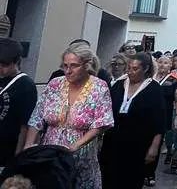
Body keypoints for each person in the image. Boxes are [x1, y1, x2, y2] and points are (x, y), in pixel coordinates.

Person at [25, 44, 114, 188]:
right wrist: (28, 145)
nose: (68, 71)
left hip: (81, 155)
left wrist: (74, 146)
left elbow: (102, 123)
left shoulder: (99, 87)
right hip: (50, 155)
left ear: (86, 65)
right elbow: (37, 117)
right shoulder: (55, 84)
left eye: (74, 66)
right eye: (65, 66)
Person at [99, 53, 165, 189]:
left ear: (145, 69)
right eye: (128, 68)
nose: (130, 72)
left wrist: (154, 147)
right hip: (113, 142)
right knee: (108, 179)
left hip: (138, 145)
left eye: (134, 69)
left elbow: (159, 121)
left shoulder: (154, 89)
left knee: (131, 181)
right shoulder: (119, 85)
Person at [0, 40, 37, 170]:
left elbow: (25, 125)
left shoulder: (25, 85)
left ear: (17, 61)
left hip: (6, 152)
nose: (0, 68)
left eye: (4, 65)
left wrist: (18, 156)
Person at [149, 55, 177, 184]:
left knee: (157, 143)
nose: (163, 65)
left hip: (164, 115)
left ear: (170, 66)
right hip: (147, 115)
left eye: (166, 63)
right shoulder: (150, 79)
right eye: (160, 62)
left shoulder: (173, 81)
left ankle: (151, 174)